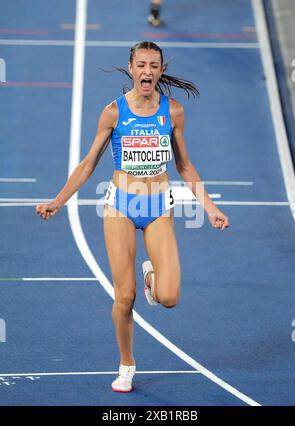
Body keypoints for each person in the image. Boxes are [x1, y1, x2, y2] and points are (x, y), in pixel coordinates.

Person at [36, 41, 229, 393]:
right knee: (124, 297)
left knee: (169, 297)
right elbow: (87, 164)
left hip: (158, 208)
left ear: (160, 70)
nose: (147, 72)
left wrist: (211, 208)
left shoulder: (173, 112)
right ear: (130, 68)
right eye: (141, 65)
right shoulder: (113, 112)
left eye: (154, 66)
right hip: (120, 207)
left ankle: (152, 276)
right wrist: (58, 201)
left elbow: (185, 166)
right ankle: (127, 363)